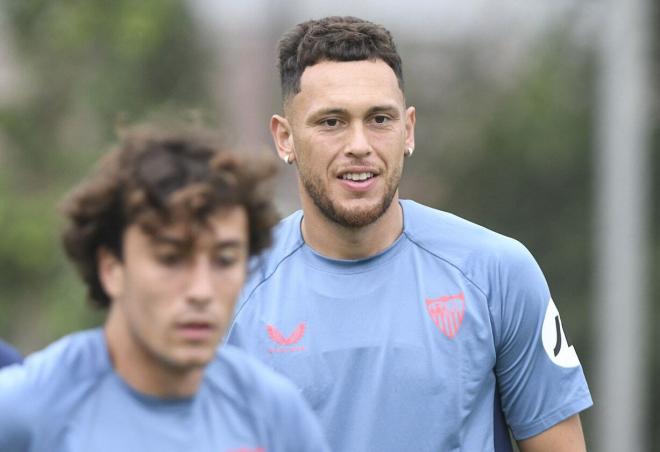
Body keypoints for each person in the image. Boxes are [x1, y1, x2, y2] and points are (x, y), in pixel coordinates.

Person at [226, 16, 593, 452]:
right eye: (331, 122)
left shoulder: (498, 272)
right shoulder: (229, 291)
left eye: (379, 119)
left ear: (409, 130)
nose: (359, 144)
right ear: (284, 139)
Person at [0, 124, 330, 452]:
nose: (202, 291)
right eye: (171, 259)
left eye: (225, 259)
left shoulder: (274, 414)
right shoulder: (25, 410)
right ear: (111, 268)